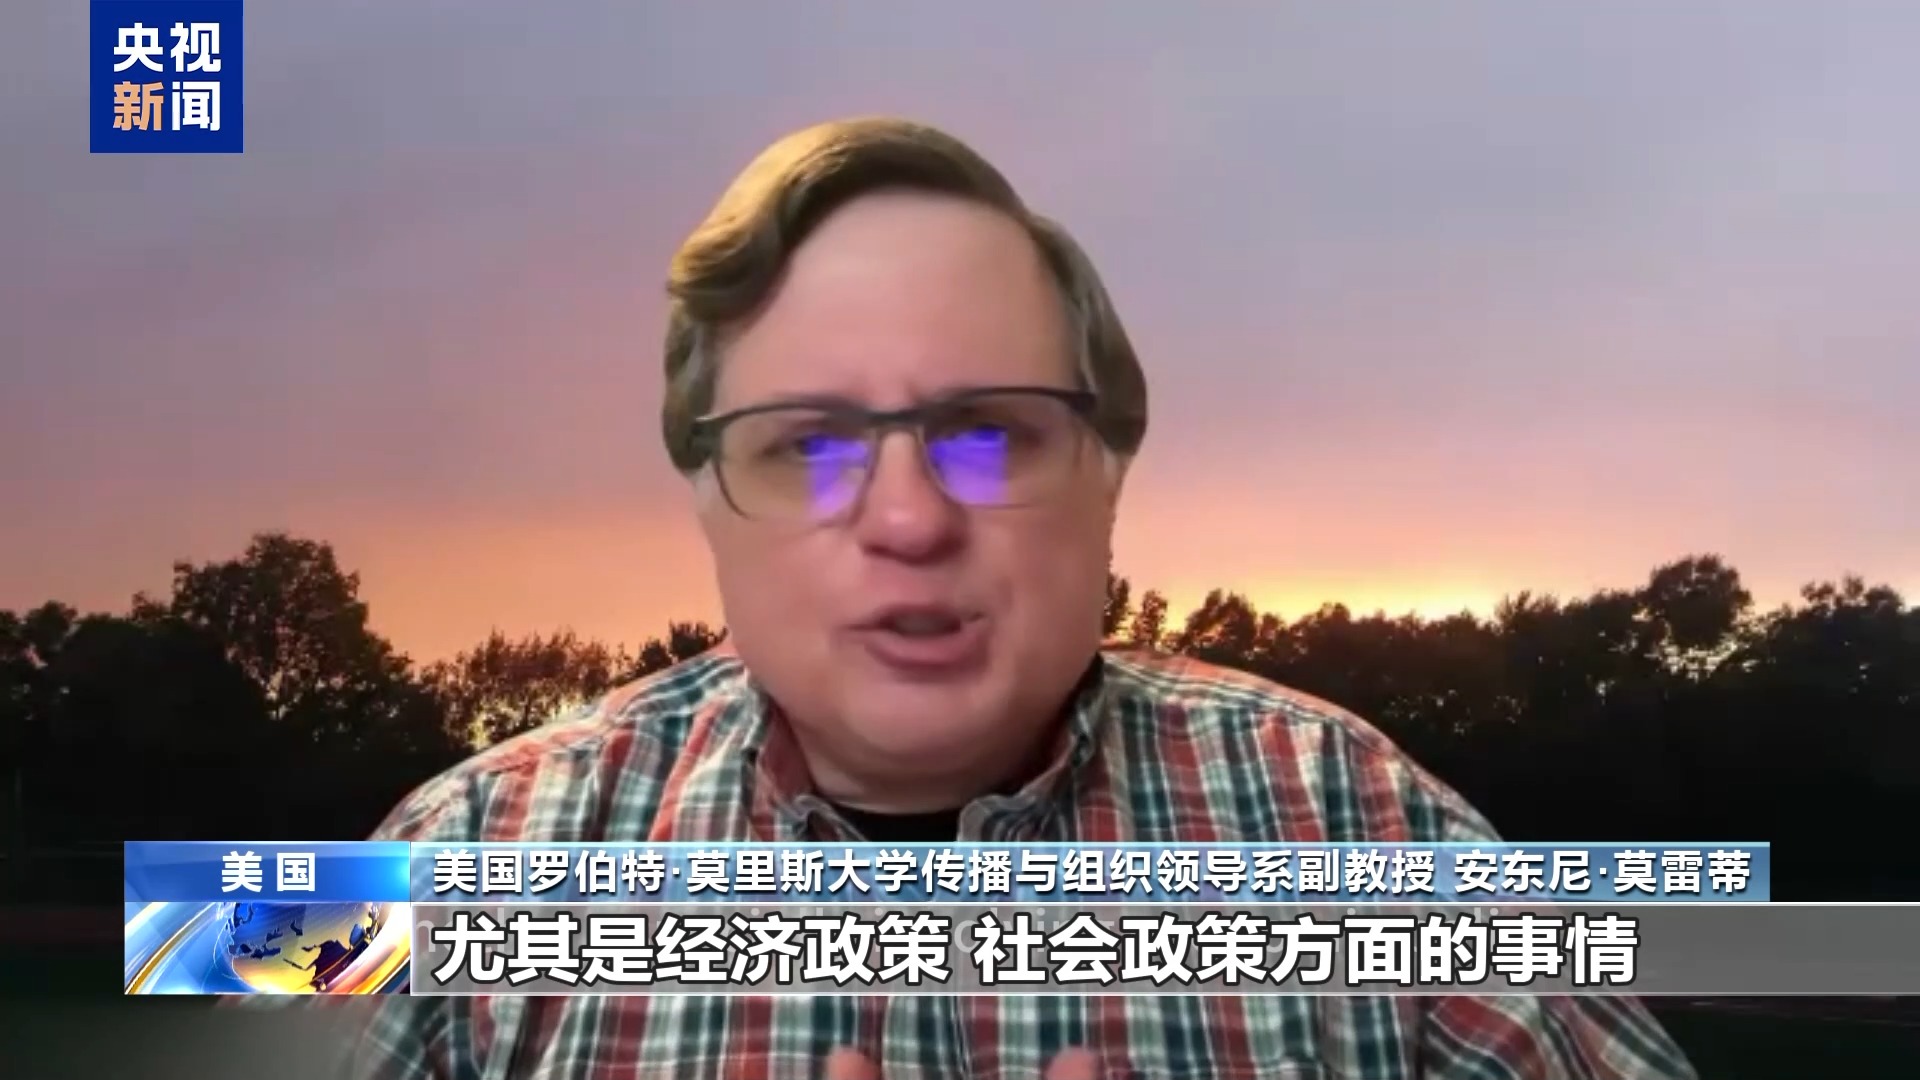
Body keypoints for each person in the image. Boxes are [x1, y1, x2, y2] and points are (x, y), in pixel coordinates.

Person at [353, 116, 1697, 1080]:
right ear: (706, 500)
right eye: (808, 448)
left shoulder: (1359, 819)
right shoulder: (454, 854)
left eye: (989, 435)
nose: (909, 519)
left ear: (1109, 474)